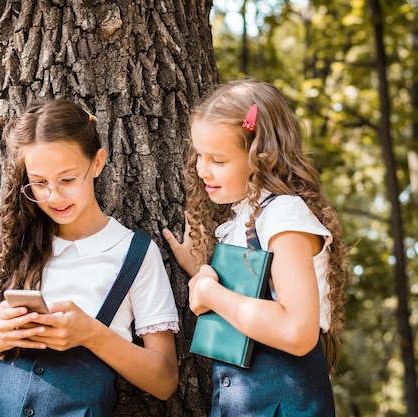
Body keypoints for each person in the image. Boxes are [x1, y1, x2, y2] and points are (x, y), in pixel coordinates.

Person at [0, 98, 179, 416]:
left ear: (97, 163)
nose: (53, 196)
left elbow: (165, 380)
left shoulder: (134, 253)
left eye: (68, 180)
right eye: (39, 184)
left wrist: (93, 334)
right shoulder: (6, 254)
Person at [163, 78, 349, 416]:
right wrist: (199, 267)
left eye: (218, 160)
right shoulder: (245, 219)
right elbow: (255, 291)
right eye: (199, 156)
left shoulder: (283, 217)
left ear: (261, 156)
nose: (203, 169)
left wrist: (209, 293)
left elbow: (297, 331)